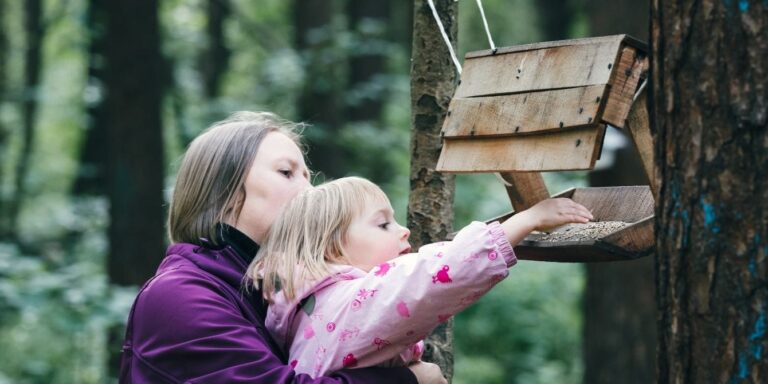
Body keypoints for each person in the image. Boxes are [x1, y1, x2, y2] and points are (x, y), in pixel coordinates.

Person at [119, 112, 446, 383]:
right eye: (287, 173)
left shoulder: (279, 292)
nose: (310, 191)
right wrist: (409, 381)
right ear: (226, 195)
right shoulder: (180, 296)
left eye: (308, 177)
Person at [248, 176, 593, 377]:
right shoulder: (349, 302)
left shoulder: (312, 308)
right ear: (333, 248)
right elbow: (435, 272)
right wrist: (527, 220)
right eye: (383, 224)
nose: (403, 230)